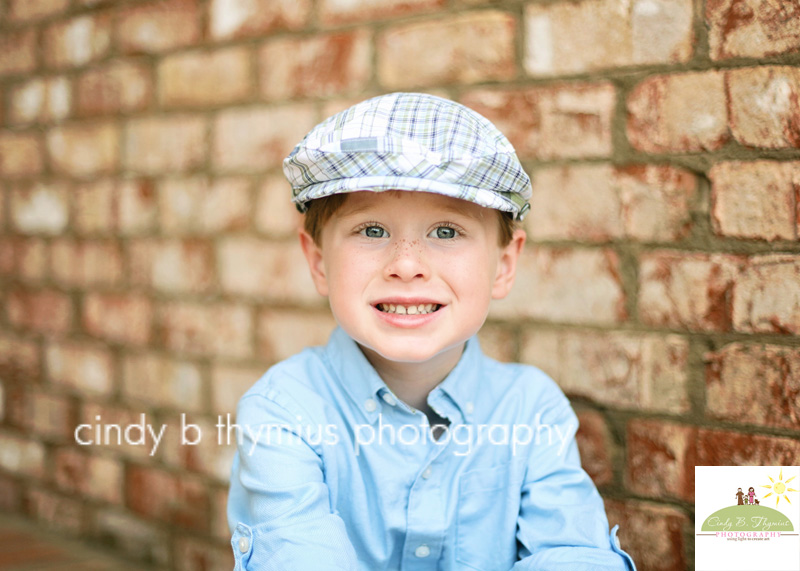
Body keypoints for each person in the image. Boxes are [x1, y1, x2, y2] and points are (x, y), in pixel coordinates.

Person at [227, 92, 636, 570]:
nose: (405, 265)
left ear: (504, 265)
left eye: (446, 232)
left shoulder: (532, 411)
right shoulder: (283, 413)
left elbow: (574, 556)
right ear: (319, 262)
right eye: (372, 230)